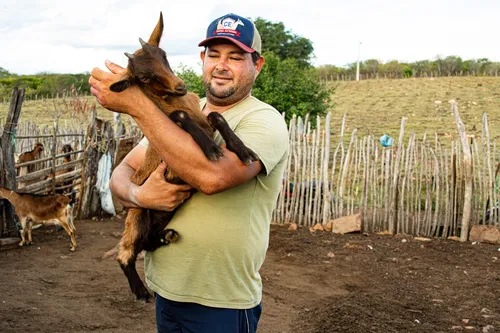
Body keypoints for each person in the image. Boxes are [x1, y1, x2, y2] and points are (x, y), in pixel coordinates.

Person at [89, 13, 289, 333]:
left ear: (258, 64)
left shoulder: (265, 120)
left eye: (235, 57)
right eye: (214, 55)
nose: (222, 64)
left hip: (220, 301)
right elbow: (121, 174)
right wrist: (141, 194)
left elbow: (213, 178)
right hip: (166, 292)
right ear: (202, 59)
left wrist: (138, 106)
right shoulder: (176, 112)